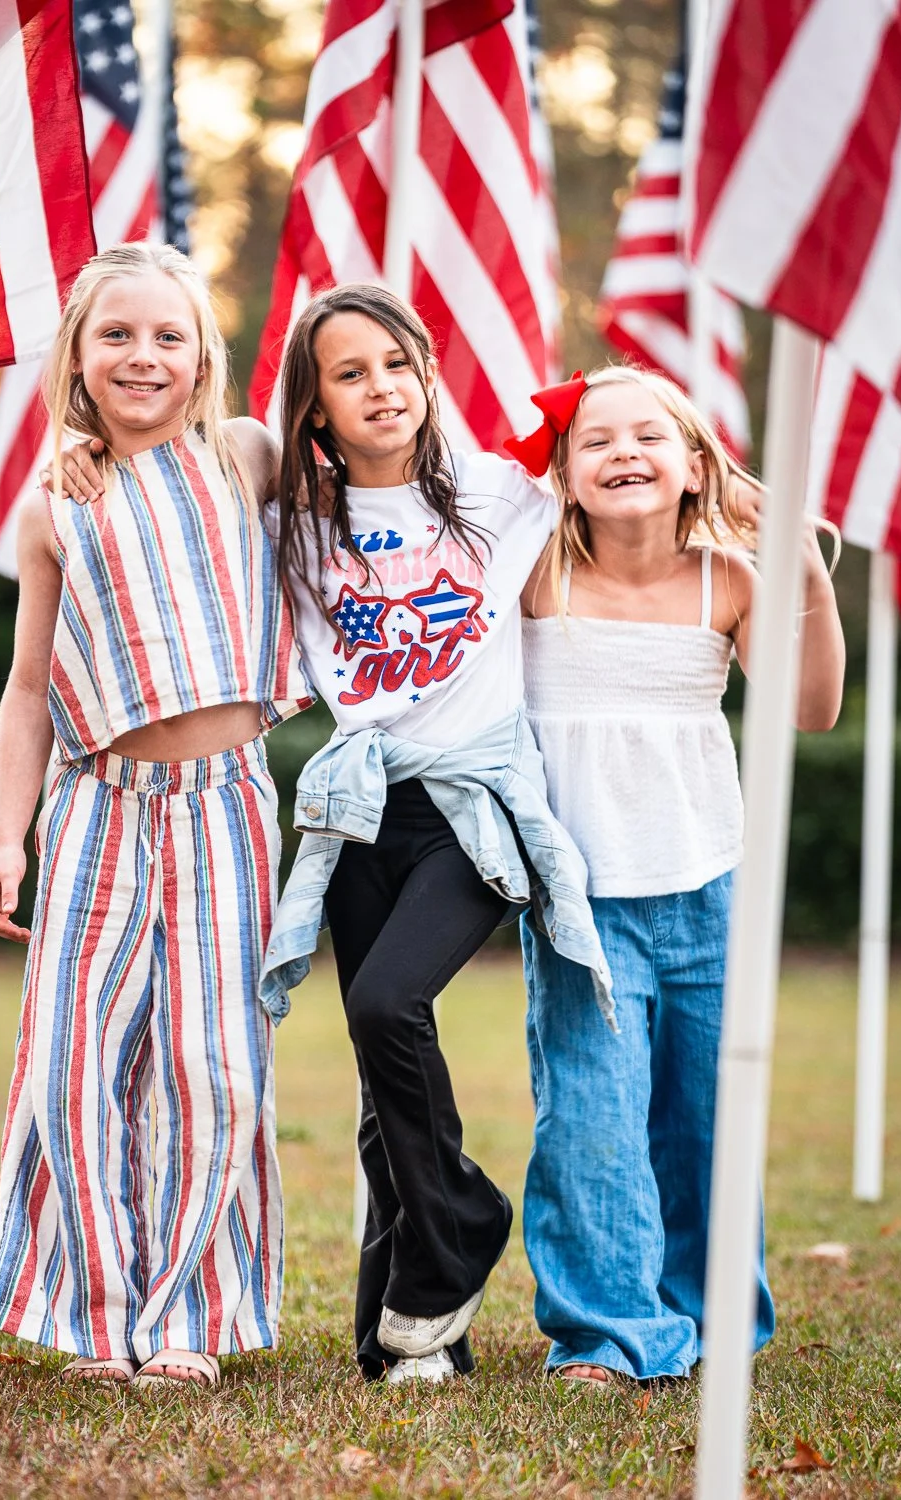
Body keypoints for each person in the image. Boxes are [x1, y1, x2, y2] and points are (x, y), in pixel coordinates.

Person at [258, 284, 613, 1385]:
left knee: (381, 1003)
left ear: (425, 376)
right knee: (380, 1077)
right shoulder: (294, 529)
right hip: (365, 808)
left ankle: (461, 1220)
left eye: (398, 364)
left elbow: (610, 429)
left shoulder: (499, 494)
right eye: (349, 373)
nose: (381, 389)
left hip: (475, 808)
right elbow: (205, 452)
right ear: (313, 409)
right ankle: (412, 1332)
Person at [0, 243, 312, 1388]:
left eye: (168, 335)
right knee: (74, 1066)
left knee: (209, 1065)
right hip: (95, 809)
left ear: (204, 353)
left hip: (223, 808)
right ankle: (96, 1313)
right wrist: (5, 833)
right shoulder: (55, 504)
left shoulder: (246, 457)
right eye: (116, 334)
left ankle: (186, 1320)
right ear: (77, 353)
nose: (142, 355)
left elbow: (373, 482)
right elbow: (29, 686)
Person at [508, 364, 845, 1387]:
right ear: (562, 477)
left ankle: (707, 1318)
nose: (622, 453)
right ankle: (605, 1336)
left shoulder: (729, 581)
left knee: (705, 1117)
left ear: (695, 466)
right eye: (595, 440)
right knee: (592, 1123)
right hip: (580, 903)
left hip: (706, 887)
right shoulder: (533, 573)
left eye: (647, 436)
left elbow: (811, 711)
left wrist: (809, 581)